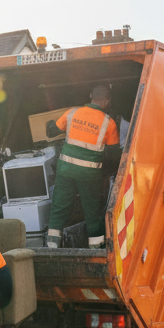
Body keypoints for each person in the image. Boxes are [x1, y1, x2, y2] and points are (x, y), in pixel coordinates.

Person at [45, 85, 121, 249]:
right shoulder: (109, 123)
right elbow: (114, 156)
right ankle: (96, 247)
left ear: (90, 95)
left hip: (66, 170)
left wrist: (48, 123)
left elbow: (51, 131)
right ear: (107, 101)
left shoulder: (72, 113)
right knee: (92, 211)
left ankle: (52, 245)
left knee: (58, 206)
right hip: (89, 174)